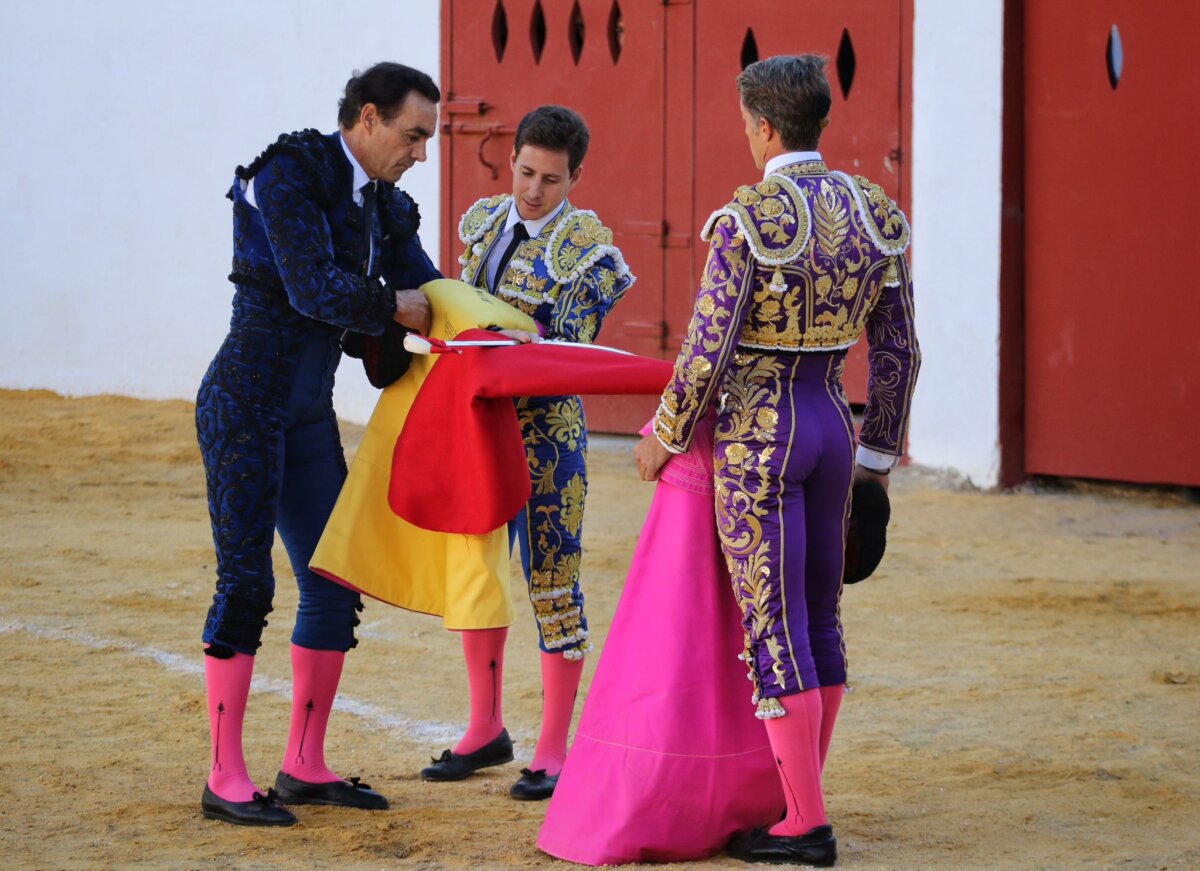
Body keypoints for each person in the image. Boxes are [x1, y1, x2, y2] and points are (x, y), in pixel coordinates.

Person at [632, 55, 920, 866]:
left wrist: (664, 433)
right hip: (831, 423)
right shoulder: (875, 212)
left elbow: (708, 347)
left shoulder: (746, 219)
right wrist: (876, 457)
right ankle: (802, 799)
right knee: (821, 615)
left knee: (775, 623)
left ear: (763, 127)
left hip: (763, 433)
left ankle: (805, 822)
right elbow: (899, 349)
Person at [195, 61, 441, 826]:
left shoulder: (384, 207)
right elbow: (312, 289)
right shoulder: (290, 173)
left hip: (304, 414)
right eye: (413, 135)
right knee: (247, 583)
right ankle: (223, 776)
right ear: (368, 118)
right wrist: (397, 305)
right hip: (245, 405)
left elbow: (430, 294)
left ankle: (304, 763)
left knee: (334, 581)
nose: (421, 154)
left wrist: (494, 325)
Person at [418, 105, 635, 800]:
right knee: (477, 574)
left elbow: (563, 352)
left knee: (553, 581)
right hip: (481, 427)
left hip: (546, 435)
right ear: (510, 158)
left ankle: (553, 748)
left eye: (551, 179)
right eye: (526, 172)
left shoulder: (590, 252)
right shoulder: (483, 223)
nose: (533, 190)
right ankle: (485, 728)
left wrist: (489, 336)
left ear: (576, 178)